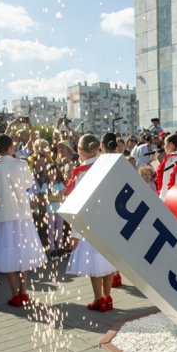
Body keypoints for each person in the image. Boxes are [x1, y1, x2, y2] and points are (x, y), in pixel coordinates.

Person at [0, 134, 46, 306]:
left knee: (7, 252)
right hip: (22, 215)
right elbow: (27, 184)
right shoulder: (21, 164)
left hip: (2, 216)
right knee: (22, 251)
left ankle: (15, 294)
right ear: (11, 147)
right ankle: (24, 291)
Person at [66, 134, 117, 312]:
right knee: (107, 258)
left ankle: (99, 298)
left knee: (94, 261)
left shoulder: (81, 170)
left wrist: (74, 234)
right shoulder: (107, 165)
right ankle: (108, 296)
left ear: (80, 150)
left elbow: (77, 204)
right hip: (108, 219)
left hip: (89, 221)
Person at [156, 133, 177, 198]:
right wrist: (155, 160)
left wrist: (162, 198)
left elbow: (166, 180)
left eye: (165, 144)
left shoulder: (170, 159)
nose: (164, 147)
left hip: (170, 197)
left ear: (171, 145)